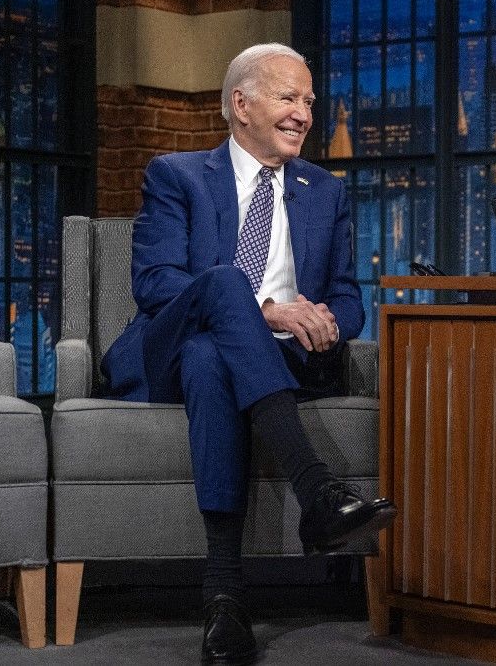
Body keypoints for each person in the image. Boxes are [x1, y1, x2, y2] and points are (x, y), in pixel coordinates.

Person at [100, 43, 397, 665]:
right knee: (227, 287)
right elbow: (155, 283)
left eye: (309, 101)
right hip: (168, 352)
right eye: (288, 98)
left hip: (273, 359)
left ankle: (225, 597)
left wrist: (326, 318)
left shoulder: (324, 191)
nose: (304, 114)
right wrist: (265, 312)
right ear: (242, 105)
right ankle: (317, 492)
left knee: (217, 360)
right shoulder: (177, 175)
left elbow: (348, 296)